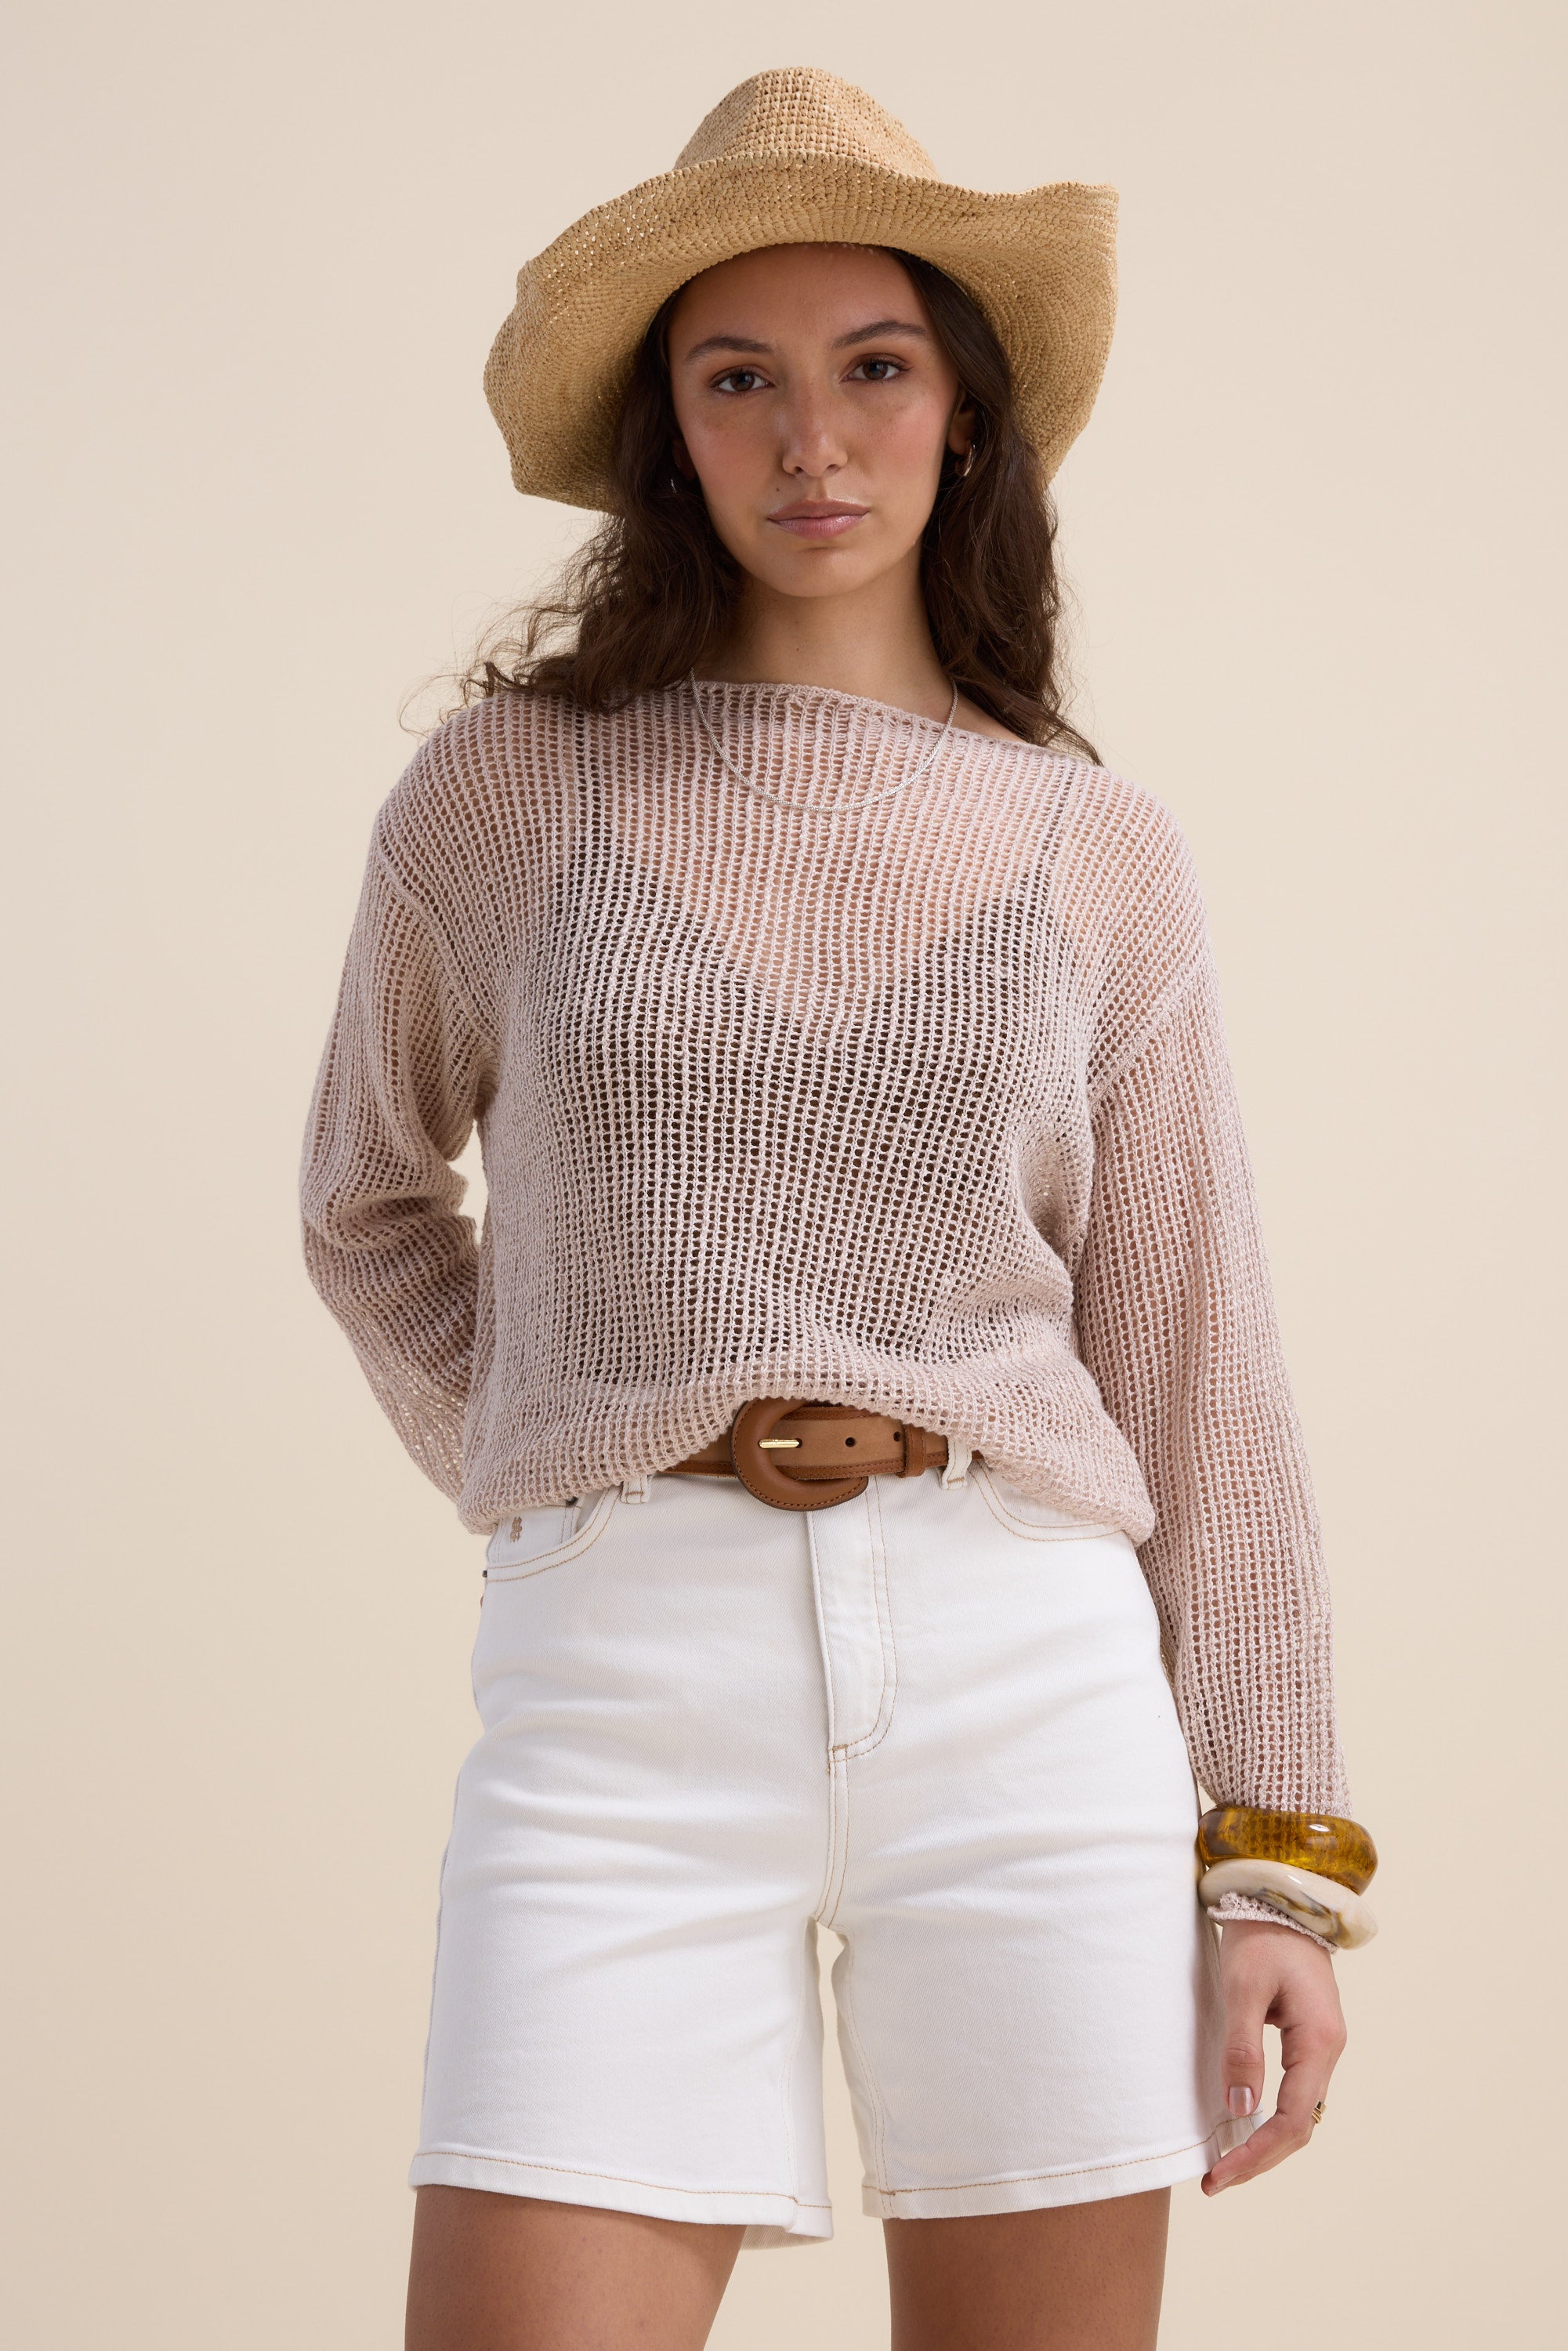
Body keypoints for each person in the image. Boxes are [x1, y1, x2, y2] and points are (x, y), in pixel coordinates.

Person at [300, 66, 1376, 2351]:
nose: (814, 438)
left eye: (873, 369)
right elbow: (368, 1200)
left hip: (1025, 1676)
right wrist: (556, 1452)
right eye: (740, 380)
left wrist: (1272, 1853)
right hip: (619, 1690)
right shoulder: (508, 798)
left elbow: (1195, 1345)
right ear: (665, 436)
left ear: (962, 419)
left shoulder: (1099, 856)